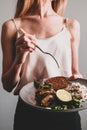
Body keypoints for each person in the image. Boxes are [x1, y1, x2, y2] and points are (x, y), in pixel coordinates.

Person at [1, 0, 83, 130]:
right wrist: (19, 58)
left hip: (65, 110)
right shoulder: (11, 26)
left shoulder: (71, 25)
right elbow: (7, 85)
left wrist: (78, 83)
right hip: (29, 114)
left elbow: (75, 72)